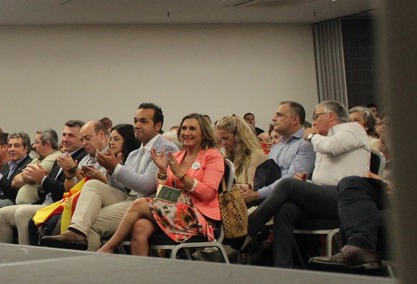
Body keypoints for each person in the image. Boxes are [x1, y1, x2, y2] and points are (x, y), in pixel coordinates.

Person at [245, 100, 370, 268]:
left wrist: (311, 136)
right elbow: (322, 178)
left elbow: (332, 147)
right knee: (286, 210)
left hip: (347, 198)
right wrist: (306, 183)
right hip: (325, 196)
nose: (314, 122)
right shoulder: (322, 140)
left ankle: (249, 228)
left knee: (287, 184)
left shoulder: (352, 129)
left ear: (331, 116)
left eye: (316, 117)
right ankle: (282, 269)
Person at [41, 105, 178, 251]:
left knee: (91, 223)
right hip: (129, 199)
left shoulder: (166, 148)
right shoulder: (134, 154)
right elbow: (122, 188)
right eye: (135, 121)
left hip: (148, 205)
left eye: (143, 121)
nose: (136, 125)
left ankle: (88, 265)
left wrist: (116, 168)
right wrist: (111, 170)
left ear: (158, 126)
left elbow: (146, 186)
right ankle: (76, 232)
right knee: (93, 185)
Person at [98, 113, 225, 255]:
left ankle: (109, 247)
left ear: (204, 133)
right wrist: (163, 171)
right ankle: (141, 274)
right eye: (184, 128)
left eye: (192, 129)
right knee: (140, 227)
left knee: (139, 203)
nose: (186, 133)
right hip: (173, 209)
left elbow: (208, 193)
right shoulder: (177, 157)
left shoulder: (213, 156)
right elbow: (165, 193)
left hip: (197, 216)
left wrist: (181, 176)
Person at [215, 115, 267, 188]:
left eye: (226, 138)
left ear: (239, 136)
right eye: (221, 139)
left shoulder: (256, 155)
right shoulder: (227, 154)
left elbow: (252, 188)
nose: (223, 143)